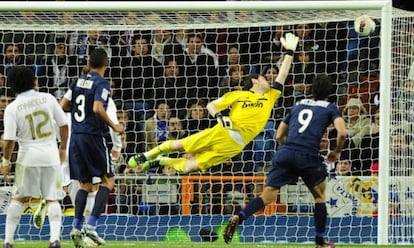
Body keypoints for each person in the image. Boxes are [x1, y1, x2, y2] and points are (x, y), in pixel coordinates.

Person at [128, 33, 299, 174]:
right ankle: (146, 155)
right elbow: (211, 106)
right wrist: (220, 117)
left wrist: (290, 51)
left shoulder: (270, 96)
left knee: (189, 167)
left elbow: (282, 74)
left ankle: (160, 161)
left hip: (236, 145)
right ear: (255, 81)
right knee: (181, 146)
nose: (268, 79)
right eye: (264, 77)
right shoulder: (239, 95)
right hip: (224, 132)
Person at [222, 74, 347, 248]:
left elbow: (279, 134)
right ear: (330, 91)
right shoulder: (330, 108)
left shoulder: (298, 104)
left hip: (285, 152)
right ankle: (320, 242)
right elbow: (342, 133)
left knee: (267, 196)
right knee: (319, 196)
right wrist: (336, 152)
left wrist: (288, 151)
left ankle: (240, 216)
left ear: (311, 89)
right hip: (308, 155)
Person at [60, 48, 124, 248]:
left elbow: (63, 105)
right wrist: (114, 126)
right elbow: (98, 108)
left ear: (89, 62)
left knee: (85, 185)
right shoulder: (102, 83)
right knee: (108, 181)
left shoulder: (78, 81)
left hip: (76, 138)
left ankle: (76, 227)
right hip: (94, 137)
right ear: (107, 64)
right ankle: (92, 226)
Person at [1, 65, 69, 248]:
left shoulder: (12, 108)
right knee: (52, 198)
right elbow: (63, 125)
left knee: (18, 198)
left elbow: (8, 141)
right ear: (34, 81)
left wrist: (5, 161)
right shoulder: (48, 98)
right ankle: (54, 239)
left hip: (27, 158)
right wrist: (62, 148)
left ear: (12, 85)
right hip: (50, 156)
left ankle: (8, 241)